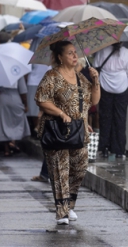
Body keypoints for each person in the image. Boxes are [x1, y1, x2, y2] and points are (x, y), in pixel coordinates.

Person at [35, 40, 100, 225]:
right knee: (59, 170)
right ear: (60, 57)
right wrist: (61, 113)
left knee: (79, 168)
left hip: (78, 130)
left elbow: (93, 101)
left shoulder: (81, 77)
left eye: (75, 52)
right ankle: (61, 211)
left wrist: (96, 81)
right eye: (70, 53)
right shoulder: (52, 76)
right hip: (56, 130)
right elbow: (41, 100)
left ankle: (70, 205)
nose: (74, 56)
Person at [94, 42, 128, 159]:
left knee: (105, 117)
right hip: (122, 86)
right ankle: (120, 149)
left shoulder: (102, 50)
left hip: (105, 84)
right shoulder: (126, 52)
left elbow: (96, 64)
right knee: (120, 118)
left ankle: (105, 148)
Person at [0, 70, 30, 157]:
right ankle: (13, 141)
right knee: (17, 121)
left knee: (4, 123)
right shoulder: (17, 71)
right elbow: (23, 90)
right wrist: (26, 104)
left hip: (3, 99)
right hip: (15, 98)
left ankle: (6, 150)